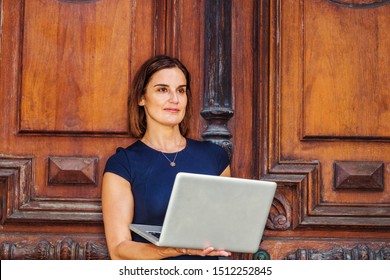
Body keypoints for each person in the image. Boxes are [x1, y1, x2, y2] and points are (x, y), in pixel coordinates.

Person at [102, 55, 231, 260]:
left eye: (181, 90)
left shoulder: (214, 157)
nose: (175, 99)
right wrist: (176, 250)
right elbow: (119, 250)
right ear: (141, 98)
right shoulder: (123, 164)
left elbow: (226, 230)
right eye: (163, 89)